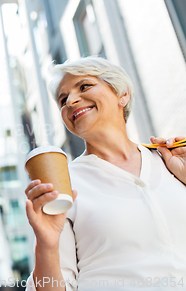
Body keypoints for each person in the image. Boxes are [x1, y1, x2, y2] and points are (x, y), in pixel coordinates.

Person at [24, 57, 186, 291]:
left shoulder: (171, 162)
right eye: (62, 99)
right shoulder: (63, 185)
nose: (70, 100)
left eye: (84, 86)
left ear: (123, 94)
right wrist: (46, 246)